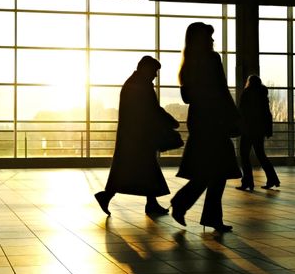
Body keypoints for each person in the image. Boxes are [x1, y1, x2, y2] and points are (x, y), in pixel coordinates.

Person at [170, 22, 242, 233]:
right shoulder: (212, 59)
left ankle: (187, 206)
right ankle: (197, 210)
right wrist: (235, 116)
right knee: (217, 170)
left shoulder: (188, 63)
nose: (212, 40)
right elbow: (222, 89)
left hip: (200, 120)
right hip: (215, 121)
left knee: (209, 170)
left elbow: (187, 97)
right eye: (209, 37)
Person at [95, 56, 180, 216]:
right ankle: (111, 197)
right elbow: (153, 109)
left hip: (133, 136)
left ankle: (110, 196)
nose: (155, 75)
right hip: (139, 138)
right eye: (155, 71)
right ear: (146, 69)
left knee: (133, 170)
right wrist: (171, 121)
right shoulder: (142, 85)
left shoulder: (133, 83)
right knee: (145, 170)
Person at [236, 75, 280, 191]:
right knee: (261, 155)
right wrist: (267, 130)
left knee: (244, 155)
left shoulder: (247, 93)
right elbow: (267, 114)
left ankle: (248, 182)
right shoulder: (262, 95)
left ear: (249, 82)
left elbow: (241, 111)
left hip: (248, 130)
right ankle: (272, 179)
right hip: (259, 131)